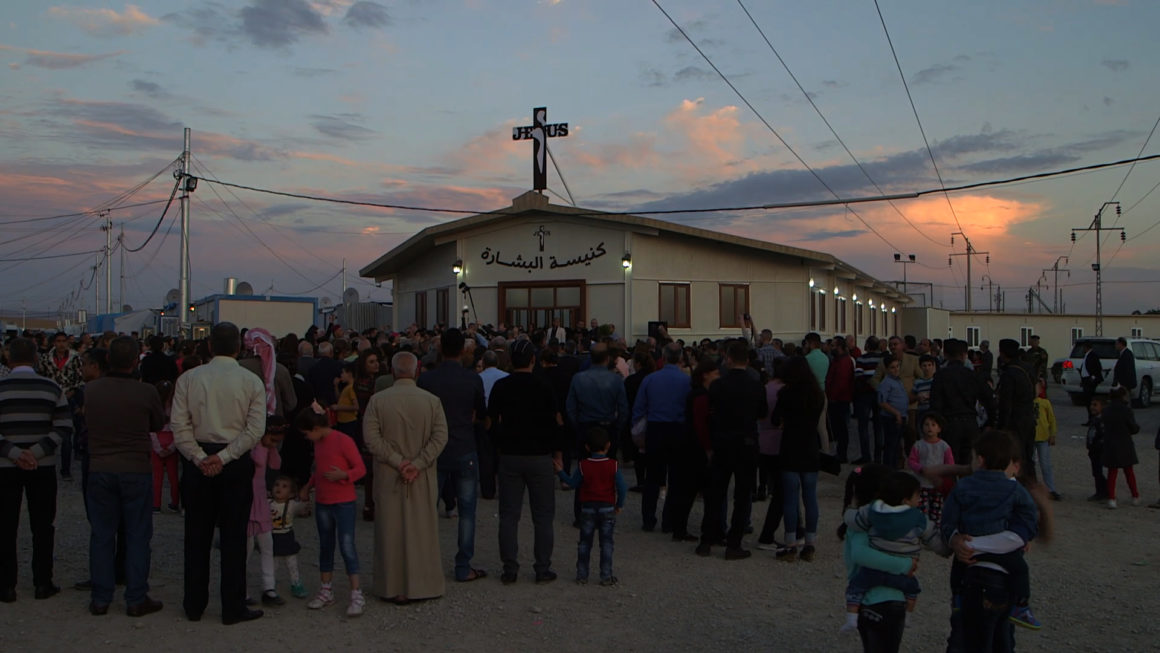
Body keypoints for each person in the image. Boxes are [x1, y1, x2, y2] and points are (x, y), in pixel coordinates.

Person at [172, 322, 267, 625]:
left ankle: (194, 604)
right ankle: (232, 606)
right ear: (239, 347)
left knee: (196, 535)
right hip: (234, 461)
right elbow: (255, 430)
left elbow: (179, 426)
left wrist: (200, 457)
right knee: (234, 536)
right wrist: (224, 457)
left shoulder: (188, 379)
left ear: (209, 346)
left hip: (198, 460)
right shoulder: (251, 381)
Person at [83, 336, 166, 616]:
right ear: (135, 361)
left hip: (101, 466)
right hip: (135, 468)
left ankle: (101, 597)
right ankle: (135, 596)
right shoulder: (146, 393)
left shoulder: (91, 391)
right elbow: (157, 423)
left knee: (102, 534)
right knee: (137, 534)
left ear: (107, 360)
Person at [363, 352, 448, 603]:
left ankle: (392, 586)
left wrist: (397, 461)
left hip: (390, 473)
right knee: (422, 530)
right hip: (420, 475)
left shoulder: (378, 401)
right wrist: (418, 463)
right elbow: (440, 437)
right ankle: (423, 584)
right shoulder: (431, 401)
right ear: (416, 371)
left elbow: (371, 438)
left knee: (390, 531)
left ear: (391, 371)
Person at [941, 431, 1040, 636]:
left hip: (968, 547)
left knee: (959, 571)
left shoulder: (963, 486)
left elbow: (948, 518)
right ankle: (1021, 606)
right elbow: (1030, 514)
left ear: (980, 459)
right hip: (1003, 550)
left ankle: (957, 598)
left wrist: (954, 537)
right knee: (1020, 570)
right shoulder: (1014, 489)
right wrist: (1024, 536)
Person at [0, 337, 72, 603]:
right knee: (43, 525)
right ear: (35, 358)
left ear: (8, 359)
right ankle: (43, 582)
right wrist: (36, 452)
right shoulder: (51, 388)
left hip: (5, 467)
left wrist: (15, 454)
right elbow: (64, 426)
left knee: (5, 525)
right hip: (42, 466)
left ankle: (6, 585)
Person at [488, 340, 564, 585]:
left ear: (510, 360)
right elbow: (557, 422)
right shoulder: (544, 386)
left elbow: (491, 422)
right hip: (540, 456)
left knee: (509, 515)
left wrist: (497, 447)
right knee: (542, 516)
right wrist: (558, 453)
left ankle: (510, 568)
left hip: (510, 455)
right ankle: (542, 567)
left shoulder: (502, 386)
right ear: (533, 360)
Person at [417, 328, 487, 583]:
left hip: (434, 450)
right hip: (464, 446)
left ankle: (424, 564)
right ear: (463, 350)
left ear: (440, 348)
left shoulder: (427, 380)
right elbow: (481, 412)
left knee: (427, 509)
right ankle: (462, 565)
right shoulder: (472, 380)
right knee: (467, 511)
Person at [841, 471, 946, 633]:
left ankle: (851, 618)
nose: (919, 500)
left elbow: (853, 522)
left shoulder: (872, 512)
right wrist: (949, 549)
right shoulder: (918, 518)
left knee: (856, 588)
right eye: (917, 497)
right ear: (906, 500)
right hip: (903, 578)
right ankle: (908, 616)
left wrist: (848, 512)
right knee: (913, 590)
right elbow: (934, 539)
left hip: (872, 575)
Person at [696, 341, 766, 560]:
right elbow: (762, 413)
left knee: (716, 492)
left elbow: (711, 412)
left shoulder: (718, 385)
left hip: (722, 442)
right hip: (746, 442)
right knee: (743, 495)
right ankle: (734, 543)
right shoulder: (756, 385)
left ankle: (707, 539)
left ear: (728, 358)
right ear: (747, 360)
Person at [296, 409, 366, 616]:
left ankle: (356, 592)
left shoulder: (343, 440)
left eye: (306, 433)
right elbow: (318, 470)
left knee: (347, 546)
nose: (306, 438)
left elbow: (360, 468)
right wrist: (308, 486)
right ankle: (326, 589)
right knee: (325, 545)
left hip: (343, 501)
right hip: (323, 501)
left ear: (316, 429)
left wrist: (344, 475)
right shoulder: (318, 443)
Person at [838, 464, 913, 651]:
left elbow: (856, 556)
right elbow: (861, 554)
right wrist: (904, 565)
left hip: (871, 601)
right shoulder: (881, 524)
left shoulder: (859, 522)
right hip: (890, 600)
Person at [556, 427, 627, 585]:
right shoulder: (613, 465)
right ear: (608, 445)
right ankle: (606, 575)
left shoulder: (583, 465)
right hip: (607, 507)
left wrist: (560, 472)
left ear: (587, 447)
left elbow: (573, 483)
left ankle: (582, 575)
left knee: (585, 543)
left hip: (588, 507)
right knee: (607, 543)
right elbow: (622, 488)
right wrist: (619, 505)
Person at [633, 343, 691, 533]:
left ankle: (648, 519)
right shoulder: (686, 381)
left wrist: (638, 434)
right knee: (676, 478)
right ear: (681, 358)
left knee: (652, 477)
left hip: (656, 429)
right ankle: (669, 520)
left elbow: (639, 410)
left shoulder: (650, 380)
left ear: (663, 358)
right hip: (678, 430)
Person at [772, 355, 824, 562]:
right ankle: (810, 543)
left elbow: (776, 419)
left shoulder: (786, 393)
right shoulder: (817, 394)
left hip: (790, 446)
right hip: (810, 446)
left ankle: (791, 543)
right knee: (810, 497)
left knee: (791, 498)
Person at [930, 339, 994, 466]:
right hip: (970, 422)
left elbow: (935, 404)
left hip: (948, 422)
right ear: (964, 355)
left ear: (946, 354)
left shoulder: (940, 376)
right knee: (969, 464)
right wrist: (990, 422)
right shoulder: (972, 375)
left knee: (949, 463)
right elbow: (989, 399)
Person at [246, 417, 285, 608]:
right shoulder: (253, 447)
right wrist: (263, 445)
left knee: (267, 545)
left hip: (260, 500)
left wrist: (272, 448)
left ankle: (269, 586)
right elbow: (260, 463)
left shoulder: (269, 447)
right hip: (248, 500)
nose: (274, 443)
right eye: (272, 439)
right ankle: (241, 588)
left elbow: (276, 465)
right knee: (246, 548)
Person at [38, 331, 83, 480]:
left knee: (66, 435)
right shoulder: (45, 359)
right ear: (54, 343)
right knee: (46, 433)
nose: (61, 344)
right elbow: (41, 378)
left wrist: (72, 391)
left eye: (64, 341)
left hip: (68, 398)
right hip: (50, 399)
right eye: (58, 341)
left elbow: (80, 378)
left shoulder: (75, 358)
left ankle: (65, 470)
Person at [996, 339, 1038, 482]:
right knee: (1028, 456)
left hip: (1015, 420)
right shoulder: (1028, 368)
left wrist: (1002, 427)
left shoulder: (1009, 373)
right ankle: (1032, 487)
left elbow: (1005, 403)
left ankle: (1020, 487)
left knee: (1014, 457)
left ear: (1003, 353)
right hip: (1029, 417)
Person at [906, 412, 958, 522]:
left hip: (937, 484)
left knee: (937, 511)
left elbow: (950, 464)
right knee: (920, 510)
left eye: (933, 425)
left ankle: (935, 530)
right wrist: (921, 469)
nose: (930, 427)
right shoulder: (918, 445)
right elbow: (911, 461)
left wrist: (943, 475)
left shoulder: (944, 446)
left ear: (939, 428)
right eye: (926, 424)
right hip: (921, 483)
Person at [268, 475, 309, 600]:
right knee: (273, 564)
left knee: (292, 564)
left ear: (291, 494)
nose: (279, 488)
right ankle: (270, 584)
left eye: (284, 486)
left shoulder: (291, 505)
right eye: (277, 485)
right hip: (273, 538)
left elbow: (303, 505)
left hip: (286, 537)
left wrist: (305, 496)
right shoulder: (268, 503)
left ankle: (296, 583)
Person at [1102, 386, 1140, 509]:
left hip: (1110, 443)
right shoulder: (1126, 410)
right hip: (1124, 443)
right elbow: (1133, 428)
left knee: (1112, 472)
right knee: (1129, 472)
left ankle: (1112, 498)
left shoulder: (1106, 410)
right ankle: (1135, 496)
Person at [150, 380, 180, 513]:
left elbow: (151, 430)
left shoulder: (154, 409)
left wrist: (157, 448)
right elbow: (179, 430)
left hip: (157, 442)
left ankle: (156, 503)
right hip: (172, 442)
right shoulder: (175, 409)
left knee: (157, 477)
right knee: (173, 477)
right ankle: (175, 502)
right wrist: (172, 447)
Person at [826, 338, 855, 463]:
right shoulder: (838, 360)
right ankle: (839, 452)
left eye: (833, 346)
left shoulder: (843, 361)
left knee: (841, 428)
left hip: (839, 399)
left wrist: (833, 396)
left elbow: (841, 382)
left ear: (839, 347)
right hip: (837, 398)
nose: (831, 348)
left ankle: (841, 454)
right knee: (839, 427)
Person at [877, 356, 908, 469]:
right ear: (887, 369)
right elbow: (882, 402)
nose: (896, 370)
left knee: (896, 446)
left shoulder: (898, 381)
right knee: (891, 445)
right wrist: (896, 413)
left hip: (901, 416)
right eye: (892, 368)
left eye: (897, 366)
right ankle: (888, 469)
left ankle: (893, 468)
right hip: (891, 418)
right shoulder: (886, 383)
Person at [1032, 380, 1060, 501]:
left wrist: (1052, 434)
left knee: (1045, 464)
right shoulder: (1027, 403)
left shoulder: (1045, 403)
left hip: (1043, 437)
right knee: (1031, 463)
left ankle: (1050, 489)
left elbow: (1052, 419)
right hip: (1031, 437)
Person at [1085, 398, 1109, 502]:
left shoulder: (1102, 420)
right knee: (1096, 471)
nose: (1092, 407)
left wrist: (1098, 446)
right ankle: (1101, 491)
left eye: (1095, 405)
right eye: (1091, 405)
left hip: (1099, 450)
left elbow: (1103, 436)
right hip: (1093, 449)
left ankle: (1103, 492)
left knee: (1098, 471)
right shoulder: (1095, 419)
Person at [1079, 340, 1103, 426]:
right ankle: (1090, 419)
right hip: (1086, 380)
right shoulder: (1087, 356)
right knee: (1087, 401)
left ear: (1086, 347)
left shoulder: (1093, 356)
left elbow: (1097, 368)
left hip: (1090, 381)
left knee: (1090, 401)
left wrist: (1093, 377)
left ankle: (1092, 419)